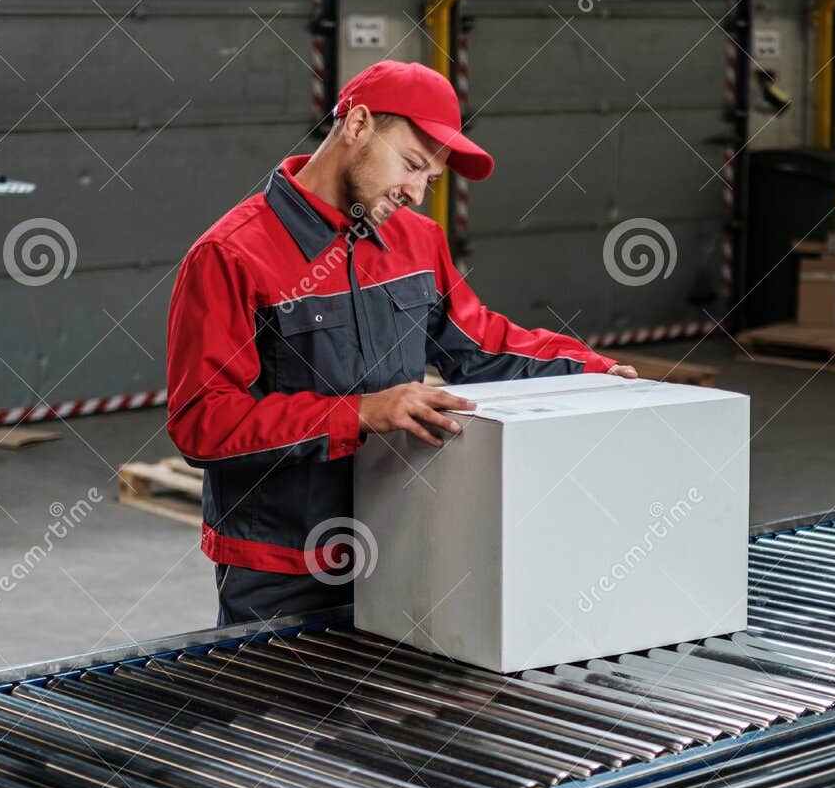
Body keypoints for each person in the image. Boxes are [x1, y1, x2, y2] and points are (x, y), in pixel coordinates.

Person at [166, 60, 636, 626]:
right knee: (282, 715)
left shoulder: (417, 242)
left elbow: (480, 343)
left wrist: (591, 370)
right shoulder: (232, 255)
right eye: (412, 166)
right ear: (358, 124)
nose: (417, 192)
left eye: (431, 181)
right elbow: (204, 425)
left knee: (400, 713)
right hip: (281, 566)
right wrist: (361, 412)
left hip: (400, 545)